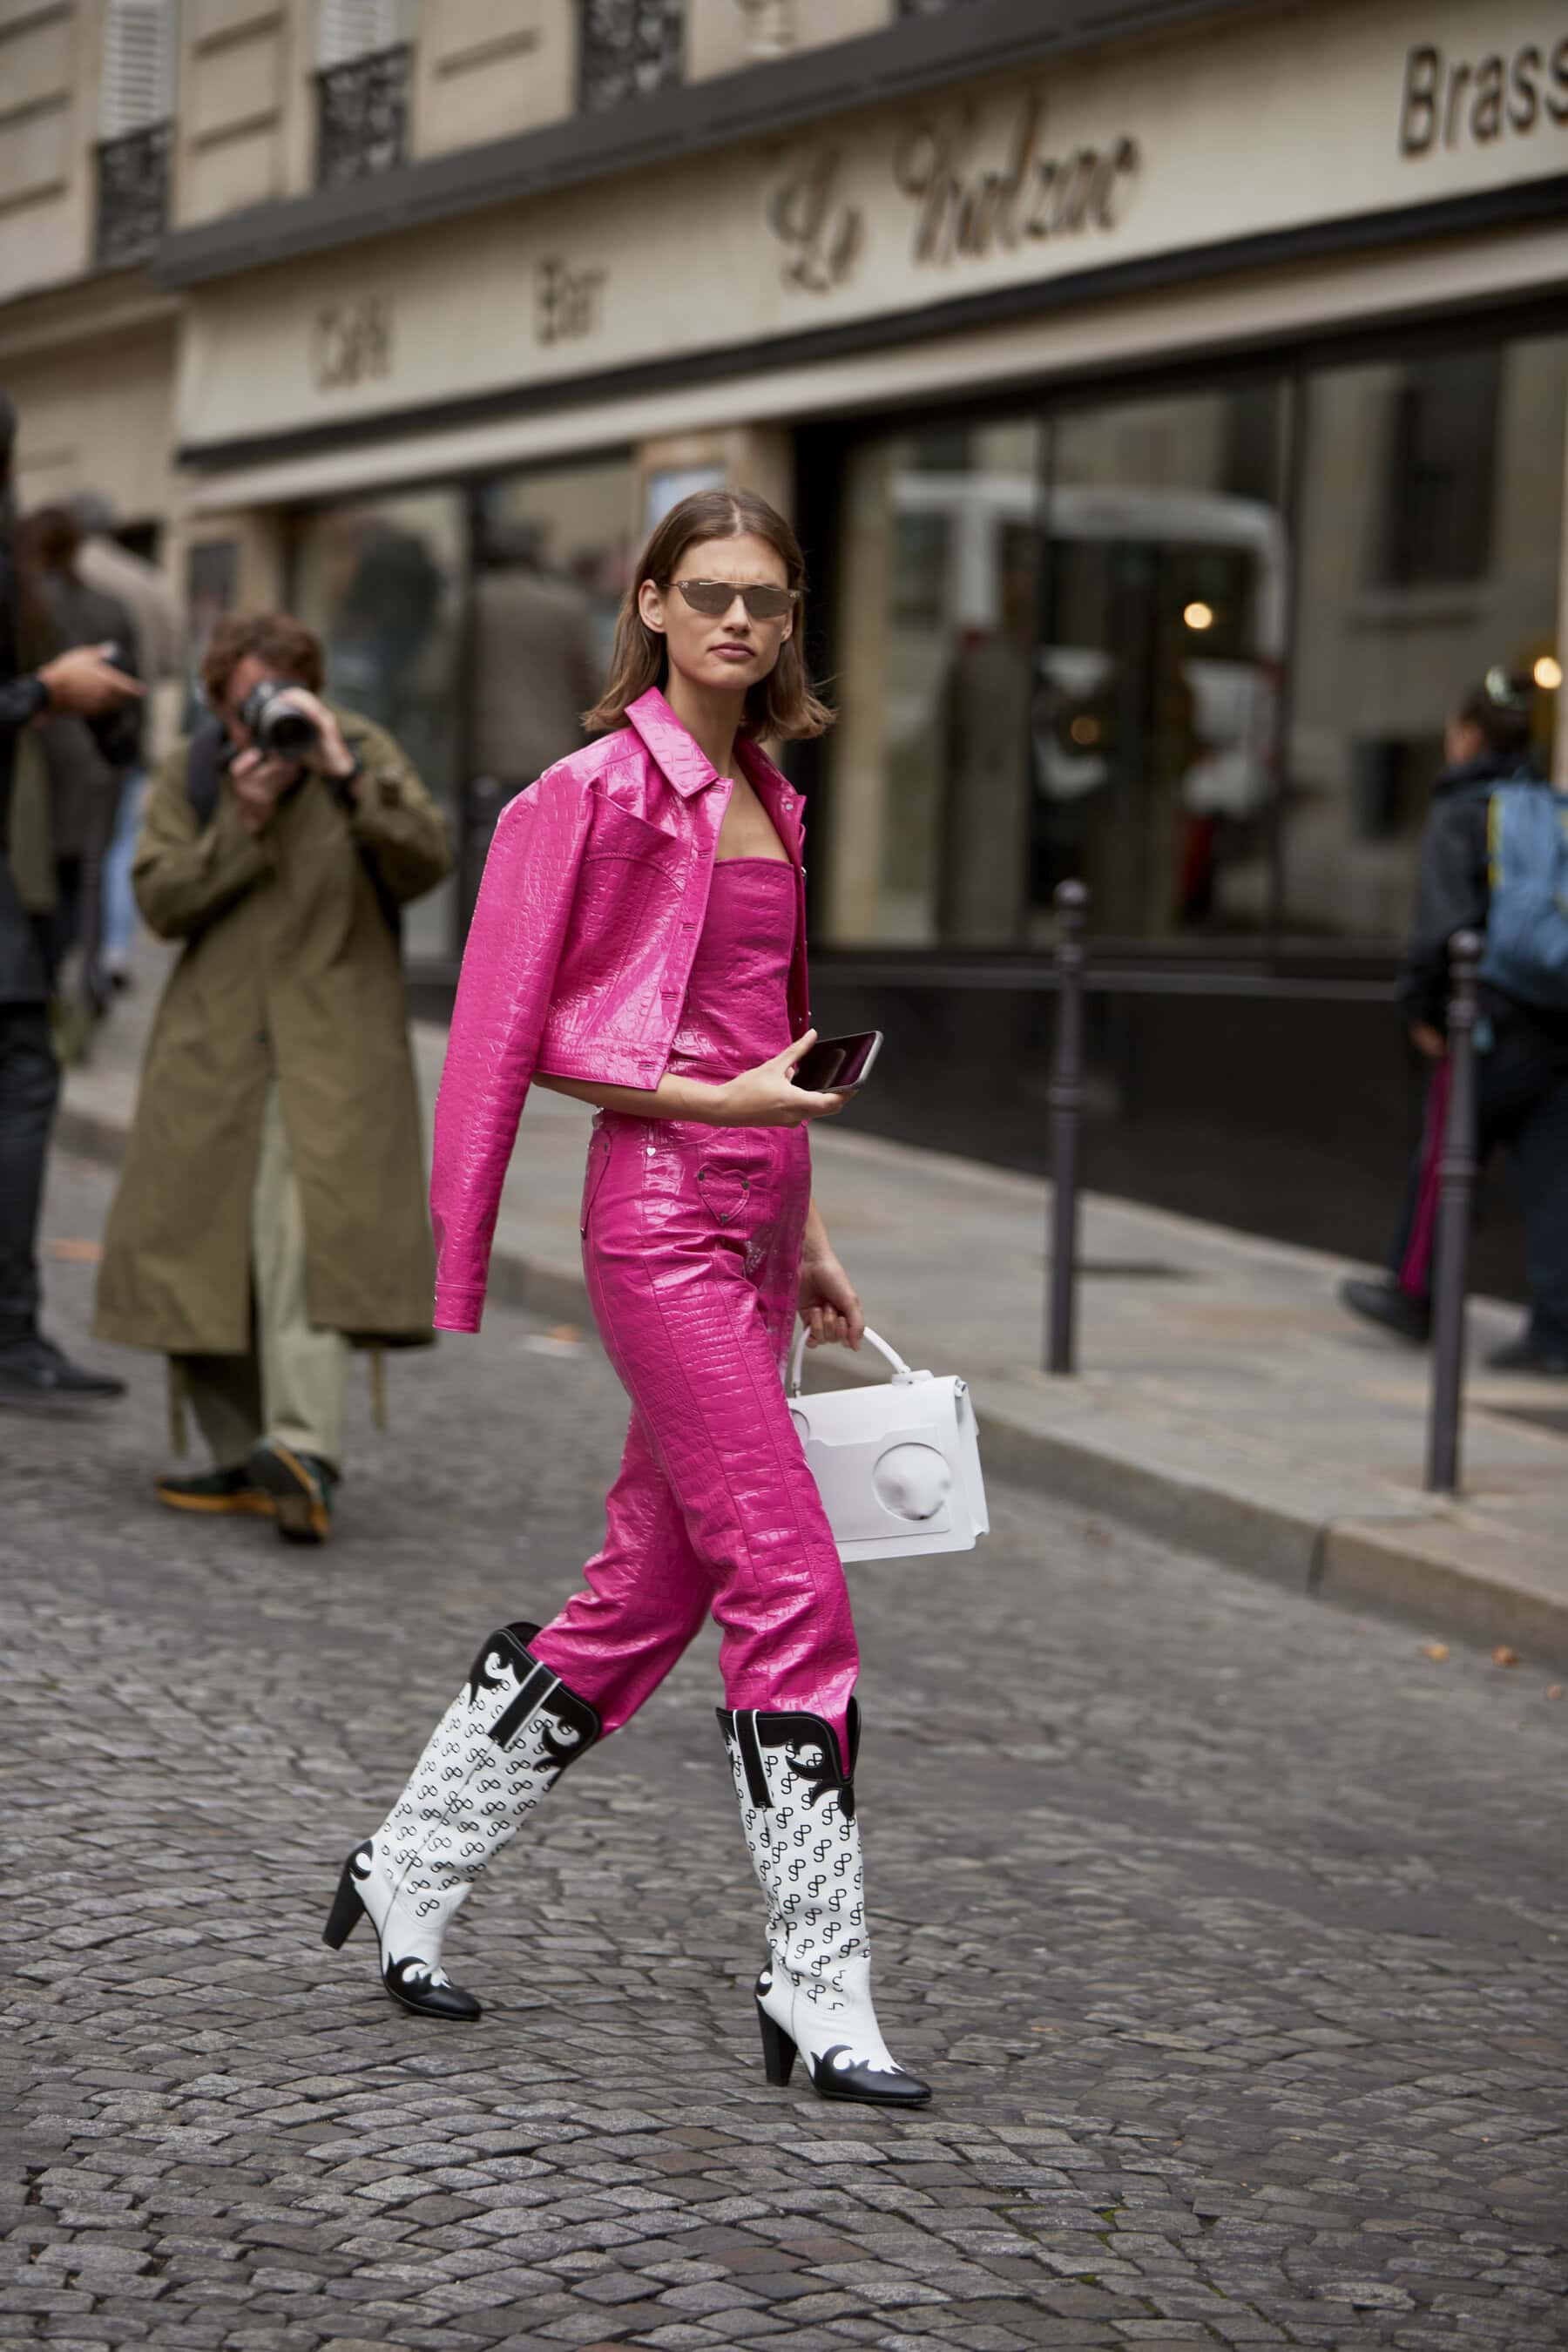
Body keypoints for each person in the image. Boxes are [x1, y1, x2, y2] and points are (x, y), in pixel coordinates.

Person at [322, 488, 931, 2110]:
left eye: (768, 600)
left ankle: (407, 1864)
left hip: (751, 1229)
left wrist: (804, 1232)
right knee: (791, 1583)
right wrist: (710, 1112)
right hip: (656, 1224)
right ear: (651, 606)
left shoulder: (773, 798)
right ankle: (820, 1984)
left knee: (644, 1600)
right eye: (709, 592)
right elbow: (521, 1037)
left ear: (791, 624)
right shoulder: (584, 795)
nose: (739, 621)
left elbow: (771, 1033)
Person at [91, 612, 454, 1536]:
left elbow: (428, 862)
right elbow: (160, 901)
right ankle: (238, 1450)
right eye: (248, 700)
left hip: (333, 1048)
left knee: (304, 1244)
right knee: (201, 1247)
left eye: (285, 695)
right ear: (219, 703)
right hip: (215, 1047)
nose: (268, 718)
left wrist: (344, 773)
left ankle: (303, 1450)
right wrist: (242, 827)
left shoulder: (357, 752)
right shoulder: (194, 773)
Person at [1342, 672, 1568, 1374]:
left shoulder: (1460, 812)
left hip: (1488, 1020)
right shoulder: (1549, 809)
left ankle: (1414, 1296)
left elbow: (1441, 926)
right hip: (1557, 1023)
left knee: (1445, 1161)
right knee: (1556, 1180)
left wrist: (1422, 1008)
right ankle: (1557, 1332)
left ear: (1468, 735)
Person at [0, 391, 142, 1408]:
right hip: (20, 871)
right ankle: (9, 1335)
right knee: (24, 1079)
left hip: (32, 861)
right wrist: (47, 690)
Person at [22, 504, 142, 1018]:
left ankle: (45, 985)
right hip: (100, 759)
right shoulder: (112, 606)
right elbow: (133, 688)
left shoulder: (29, 603)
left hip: (42, 760)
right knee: (90, 876)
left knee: (41, 878)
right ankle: (86, 986)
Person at [68, 491, 184, 991]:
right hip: (127, 734)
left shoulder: (58, 575)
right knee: (117, 846)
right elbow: (173, 660)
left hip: (64, 730)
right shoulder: (146, 579)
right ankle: (113, 949)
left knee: (71, 843)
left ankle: (72, 950)